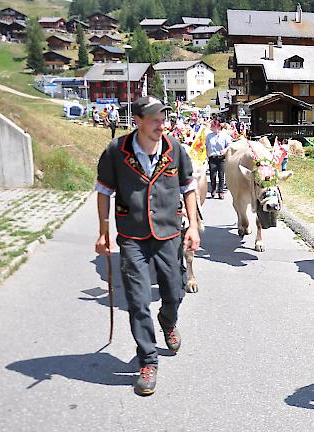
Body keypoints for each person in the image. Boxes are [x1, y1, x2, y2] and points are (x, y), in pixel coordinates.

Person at [94, 96, 200, 396]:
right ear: (137, 121)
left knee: (175, 289)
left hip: (168, 233)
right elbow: (103, 190)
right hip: (132, 236)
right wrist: (103, 231)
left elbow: (188, 187)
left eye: (162, 117)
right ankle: (148, 360)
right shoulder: (117, 151)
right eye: (153, 118)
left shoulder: (174, 148)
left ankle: (168, 320)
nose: (160, 124)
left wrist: (192, 226)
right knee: (138, 300)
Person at [205, 119, 231, 199]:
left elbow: (230, 144)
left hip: (221, 157)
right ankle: (213, 189)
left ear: (218, 127)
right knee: (212, 175)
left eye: (213, 126)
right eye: (212, 126)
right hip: (212, 157)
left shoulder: (224, 135)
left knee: (221, 175)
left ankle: (221, 191)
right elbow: (206, 145)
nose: (212, 128)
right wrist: (206, 154)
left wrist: (225, 150)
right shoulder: (209, 136)